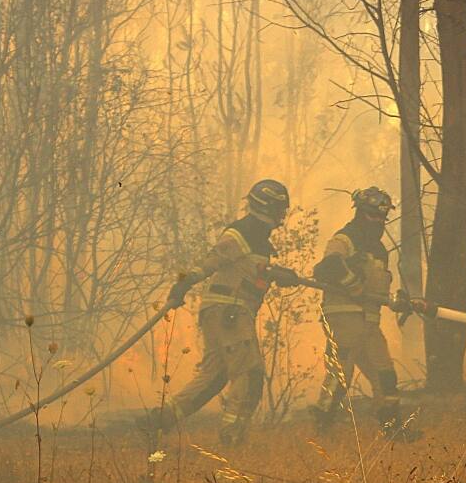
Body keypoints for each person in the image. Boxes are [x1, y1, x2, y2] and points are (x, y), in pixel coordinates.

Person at [163, 179, 299, 445]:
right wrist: (184, 284)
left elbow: (245, 271)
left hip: (223, 312)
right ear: (266, 207)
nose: (282, 215)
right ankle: (232, 437)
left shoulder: (258, 238)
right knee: (249, 373)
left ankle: (158, 421)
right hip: (230, 311)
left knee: (214, 377)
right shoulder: (242, 232)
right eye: (279, 209)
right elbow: (213, 260)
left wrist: (274, 274)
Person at [309, 187, 426, 441]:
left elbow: (377, 289)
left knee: (385, 374)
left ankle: (392, 429)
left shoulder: (380, 250)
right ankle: (322, 428)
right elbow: (327, 267)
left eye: (382, 217)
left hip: (369, 322)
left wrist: (399, 300)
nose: (378, 222)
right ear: (360, 213)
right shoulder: (345, 239)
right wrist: (352, 283)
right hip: (344, 317)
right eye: (373, 216)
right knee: (341, 374)